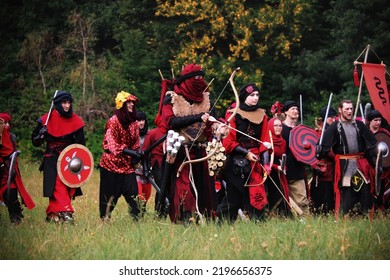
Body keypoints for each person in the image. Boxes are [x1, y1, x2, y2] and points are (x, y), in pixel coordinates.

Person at [159, 63, 217, 223]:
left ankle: (204, 216)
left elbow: (214, 121)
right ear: (188, 79)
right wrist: (198, 117)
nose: (200, 81)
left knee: (203, 186)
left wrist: (220, 128)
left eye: (201, 77)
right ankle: (186, 217)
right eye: (196, 78)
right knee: (183, 183)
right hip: (180, 151)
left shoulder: (206, 98)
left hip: (201, 151)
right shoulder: (172, 97)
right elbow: (169, 122)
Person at [216, 83, 271, 223]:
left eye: (257, 95)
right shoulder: (234, 113)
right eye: (252, 95)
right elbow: (228, 143)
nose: (255, 98)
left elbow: (264, 141)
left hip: (256, 162)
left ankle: (258, 224)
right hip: (237, 161)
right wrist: (246, 154)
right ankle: (222, 225)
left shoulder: (262, 115)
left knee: (256, 194)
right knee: (234, 197)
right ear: (244, 97)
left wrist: (266, 164)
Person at [318, 100, 377, 218]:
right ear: (340, 110)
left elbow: (371, 144)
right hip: (344, 165)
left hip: (361, 164)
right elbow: (324, 147)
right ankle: (344, 220)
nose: (349, 111)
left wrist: (375, 161)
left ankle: (366, 219)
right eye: (346, 109)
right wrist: (320, 150)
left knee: (365, 192)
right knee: (347, 195)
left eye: (351, 109)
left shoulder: (359, 125)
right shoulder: (335, 127)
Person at [32, 91, 85, 223]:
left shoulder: (76, 121)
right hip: (52, 158)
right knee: (56, 185)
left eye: (68, 103)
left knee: (68, 187)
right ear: (57, 104)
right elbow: (35, 142)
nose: (67, 106)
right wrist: (41, 135)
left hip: (70, 159)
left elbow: (81, 145)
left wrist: (78, 161)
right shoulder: (46, 120)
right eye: (64, 103)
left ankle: (53, 214)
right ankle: (66, 212)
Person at [98, 91, 142, 222]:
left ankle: (137, 220)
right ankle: (105, 220)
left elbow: (135, 142)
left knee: (133, 194)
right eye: (128, 102)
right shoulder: (113, 122)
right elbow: (112, 144)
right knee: (109, 197)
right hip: (111, 165)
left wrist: (136, 154)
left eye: (132, 102)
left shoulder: (134, 123)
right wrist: (129, 151)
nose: (131, 104)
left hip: (127, 166)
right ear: (121, 104)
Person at [1, 113, 35, 224]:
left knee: (11, 193)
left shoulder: (10, 137)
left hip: (7, 172)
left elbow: (10, 154)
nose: (6, 125)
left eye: (7, 122)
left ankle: (15, 219)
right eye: (4, 123)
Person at [281, 100, 310, 216]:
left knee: (302, 200)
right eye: (293, 109)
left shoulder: (301, 130)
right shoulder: (280, 128)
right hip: (283, 170)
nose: (296, 111)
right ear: (286, 112)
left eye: (297, 109)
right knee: (283, 201)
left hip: (297, 170)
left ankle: (306, 224)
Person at [310, 106, 338, 215]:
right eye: (331, 118)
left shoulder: (334, 131)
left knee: (331, 196)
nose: (333, 120)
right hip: (322, 170)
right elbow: (311, 152)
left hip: (334, 169)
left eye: (334, 118)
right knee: (323, 196)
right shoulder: (317, 133)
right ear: (325, 119)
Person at [265, 117, 290, 217]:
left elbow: (283, 156)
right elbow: (265, 161)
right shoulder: (267, 141)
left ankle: (279, 216)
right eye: (275, 125)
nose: (278, 128)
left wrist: (283, 167)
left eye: (280, 125)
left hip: (279, 172)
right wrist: (276, 167)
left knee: (281, 193)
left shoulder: (283, 142)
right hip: (269, 172)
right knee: (271, 194)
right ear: (271, 126)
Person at [366, 109, 390, 211]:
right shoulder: (366, 133)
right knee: (370, 191)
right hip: (369, 167)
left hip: (384, 168)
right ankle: (371, 211)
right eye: (376, 120)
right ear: (370, 121)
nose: (378, 122)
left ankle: (382, 210)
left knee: (382, 191)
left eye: (380, 120)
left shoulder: (385, 133)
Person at [134, 110, 152, 211]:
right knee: (138, 196)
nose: (141, 123)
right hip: (135, 170)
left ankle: (141, 214)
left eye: (142, 120)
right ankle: (136, 214)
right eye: (138, 120)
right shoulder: (131, 135)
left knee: (146, 196)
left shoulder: (150, 134)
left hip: (147, 170)